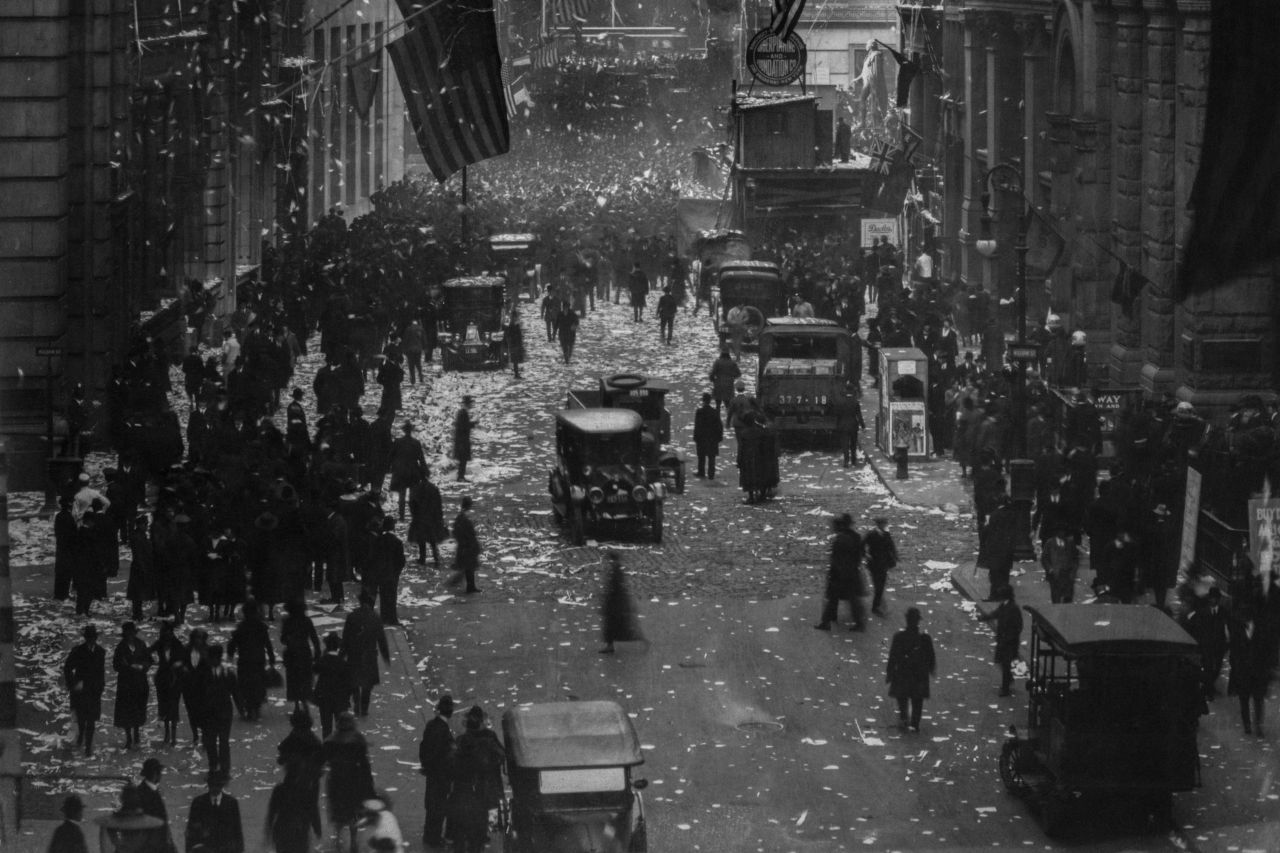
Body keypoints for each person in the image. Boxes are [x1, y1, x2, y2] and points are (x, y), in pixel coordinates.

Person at [449, 706, 506, 853]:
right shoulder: (490, 737)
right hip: (486, 785)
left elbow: (453, 764)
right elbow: (500, 756)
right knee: (486, 813)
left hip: (466, 789)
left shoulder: (461, 740)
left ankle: (465, 841)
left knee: (465, 821)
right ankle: (486, 834)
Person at [323, 711, 376, 853]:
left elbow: (323, 757)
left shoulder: (331, 740)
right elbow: (364, 764)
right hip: (354, 780)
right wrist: (369, 783)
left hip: (336, 780)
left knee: (338, 809)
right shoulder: (358, 740)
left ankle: (339, 838)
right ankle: (353, 841)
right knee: (353, 811)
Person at [886, 607, 936, 733]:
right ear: (918, 621)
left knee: (902, 697)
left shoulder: (899, 637)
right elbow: (931, 657)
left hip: (903, 672)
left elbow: (893, 656)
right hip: (919, 674)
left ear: (907, 620)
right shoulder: (925, 639)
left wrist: (890, 673)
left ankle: (904, 717)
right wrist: (931, 669)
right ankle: (915, 722)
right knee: (917, 700)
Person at [342, 591, 391, 717]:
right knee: (367, 684)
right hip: (369, 655)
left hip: (354, 653)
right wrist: (386, 656)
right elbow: (381, 639)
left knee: (354, 680)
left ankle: (356, 700)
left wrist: (342, 654)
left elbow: (346, 638)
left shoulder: (352, 616)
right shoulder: (375, 618)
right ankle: (364, 708)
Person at [1228, 601, 1273, 736]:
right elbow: (1234, 652)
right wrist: (1235, 669)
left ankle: (1258, 725)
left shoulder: (1261, 631)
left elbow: (1266, 652)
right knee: (1244, 700)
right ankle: (1247, 725)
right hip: (1243, 672)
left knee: (1258, 700)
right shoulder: (1237, 630)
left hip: (1258, 672)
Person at [815, 514, 865, 631]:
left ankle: (826, 622)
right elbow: (860, 554)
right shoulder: (855, 536)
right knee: (852, 599)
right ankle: (858, 623)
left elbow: (837, 558)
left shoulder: (841, 539)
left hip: (840, 574)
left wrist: (835, 571)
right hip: (851, 572)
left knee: (834, 598)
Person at [227, 599, 275, 722]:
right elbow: (267, 643)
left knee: (245, 685)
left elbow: (232, 644)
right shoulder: (261, 626)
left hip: (244, 660)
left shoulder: (241, 627)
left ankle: (248, 708)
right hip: (258, 659)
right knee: (258, 684)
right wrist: (271, 658)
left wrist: (230, 656)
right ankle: (257, 707)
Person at [419, 695, 456, 849]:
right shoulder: (444, 731)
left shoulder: (431, 725)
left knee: (431, 805)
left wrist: (425, 765)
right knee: (439, 806)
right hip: (441, 774)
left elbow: (423, 747)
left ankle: (429, 835)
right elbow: (444, 754)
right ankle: (434, 838)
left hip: (431, 772)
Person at [1182, 587, 1231, 700]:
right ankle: (1208, 690)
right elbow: (1194, 625)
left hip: (1219, 645)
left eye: (1216, 598)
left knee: (1217, 668)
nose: (1214, 600)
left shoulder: (1223, 611)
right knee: (1208, 668)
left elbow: (1228, 626)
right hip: (1207, 645)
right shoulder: (1203, 611)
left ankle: (1207, 687)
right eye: (1212, 598)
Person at [64, 624, 106, 756]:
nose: (91, 640)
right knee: (82, 718)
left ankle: (88, 745)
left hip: (94, 689)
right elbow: (67, 668)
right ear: (85, 638)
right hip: (81, 690)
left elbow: (101, 671)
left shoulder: (100, 651)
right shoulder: (78, 651)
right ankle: (81, 734)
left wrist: (101, 686)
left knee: (92, 719)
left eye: (93, 637)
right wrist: (74, 684)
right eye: (89, 637)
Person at [113, 621, 152, 750]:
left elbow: (149, 660)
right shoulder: (120, 648)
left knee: (138, 708)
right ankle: (129, 737)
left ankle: (136, 733)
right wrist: (128, 667)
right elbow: (116, 666)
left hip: (140, 681)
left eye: (132, 633)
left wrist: (142, 666)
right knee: (126, 710)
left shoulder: (141, 644)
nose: (130, 636)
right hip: (126, 683)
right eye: (127, 634)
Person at [184, 769, 244, 853]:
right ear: (208, 785)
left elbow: (237, 831)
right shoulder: (198, 803)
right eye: (212, 785)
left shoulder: (231, 803)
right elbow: (190, 831)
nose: (215, 788)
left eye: (218, 785)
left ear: (222, 786)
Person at [978, 586, 1023, 696]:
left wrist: (1010, 637)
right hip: (1003, 640)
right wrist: (983, 617)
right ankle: (1008, 679)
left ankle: (1005, 688)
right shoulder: (1004, 606)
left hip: (1009, 642)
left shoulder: (1013, 609)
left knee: (1005, 663)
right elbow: (995, 614)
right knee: (1001, 662)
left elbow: (1018, 625)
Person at [202, 644, 239, 774]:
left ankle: (224, 767)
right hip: (209, 713)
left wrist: (241, 708)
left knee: (224, 741)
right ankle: (213, 765)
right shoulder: (203, 674)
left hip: (224, 713)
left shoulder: (228, 674)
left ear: (216, 658)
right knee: (210, 741)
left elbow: (235, 692)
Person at [600, 551, 646, 654]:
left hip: (615, 603)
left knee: (614, 626)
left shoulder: (616, 571)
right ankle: (610, 645)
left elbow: (615, 587)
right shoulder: (617, 570)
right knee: (614, 626)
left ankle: (610, 645)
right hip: (616, 602)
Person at [281, 598, 321, 711]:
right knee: (305, 678)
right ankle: (304, 699)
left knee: (293, 679)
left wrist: (290, 639)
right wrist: (317, 652)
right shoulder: (306, 621)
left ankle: (297, 703)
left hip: (292, 654)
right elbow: (314, 638)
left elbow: (283, 639)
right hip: (304, 652)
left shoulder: (287, 621)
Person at [365, 516, 406, 626]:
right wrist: (397, 571)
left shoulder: (378, 540)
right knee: (392, 596)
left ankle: (384, 617)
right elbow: (401, 560)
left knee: (383, 595)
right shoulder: (397, 542)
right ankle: (392, 618)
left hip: (381, 573)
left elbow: (374, 557)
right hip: (392, 574)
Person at [150, 618, 184, 746]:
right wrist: (153, 662)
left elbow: (183, 659)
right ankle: (167, 734)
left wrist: (177, 665)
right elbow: (148, 652)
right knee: (164, 706)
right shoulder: (159, 644)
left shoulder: (178, 645)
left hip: (175, 678)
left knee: (174, 706)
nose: (167, 636)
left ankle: (173, 736)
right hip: (163, 678)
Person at [313, 631, 351, 738]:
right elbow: (349, 682)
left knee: (326, 727)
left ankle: (327, 747)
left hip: (324, 698)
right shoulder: (343, 663)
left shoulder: (323, 660)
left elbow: (314, 669)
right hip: (340, 698)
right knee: (341, 726)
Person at [388, 421, 427, 520]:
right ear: (411, 430)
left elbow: (391, 456)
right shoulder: (416, 443)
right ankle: (414, 515)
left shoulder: (398, 442)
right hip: (413, 472)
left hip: (401, 472)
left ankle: (401, 516)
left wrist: (391, 467)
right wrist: (425, 471)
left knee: (402, 495)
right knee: (413, 496)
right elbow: (421, 459)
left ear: (404, 430)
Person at [408, 468, 447, 567]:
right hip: (432, 518)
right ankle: (436, 558)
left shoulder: (415, 489)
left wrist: (414, 516)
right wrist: (439, 517)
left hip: (420, 518)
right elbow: (438, 504)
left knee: (422, 540)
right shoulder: (433, 488)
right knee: (433, 540)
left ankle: (422, 558)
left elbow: (412, 504)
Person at [864, 516, 898, 616]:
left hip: (883, 564)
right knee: (878, 586)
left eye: (884, 524)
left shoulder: (887, 535)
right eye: (882, 524)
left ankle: (877, 604)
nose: (884, 526)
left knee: (880, 586)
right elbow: (861, 546)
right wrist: (866, 555)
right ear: (878, 524)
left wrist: (894, 557)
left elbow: (892, 547)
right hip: (874, 564)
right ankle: (876, 607)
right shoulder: (871, 535)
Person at [450, 497, 481, 594]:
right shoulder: (465, 518)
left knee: (468, 567)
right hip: (468, 547)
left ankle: (470, 586)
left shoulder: (460, 517)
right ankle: (470, 587)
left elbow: (455, 532)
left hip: (463, 546)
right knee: (469, 568)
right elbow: (471, 534)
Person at [693, 392, 724, 479]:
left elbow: (697, 425)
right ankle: (711, 474)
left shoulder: (699, 412)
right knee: (712, 456)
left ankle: (701, 472)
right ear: (710, 401)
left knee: (701, 456)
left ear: (703, 400)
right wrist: (720, 437)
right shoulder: (715, 412)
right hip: (712, 437)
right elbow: (719, 426)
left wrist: (695, 437)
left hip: (702, 437)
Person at [53, 496, 76, 600]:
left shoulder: (58, 516)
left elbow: (56, 531)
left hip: (61, 547)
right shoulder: (70, 517)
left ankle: (58, 593)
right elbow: (73, 533)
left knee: (60, 572)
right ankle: (64, 593)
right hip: (69, 548)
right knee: (67, 572)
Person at [709, 350, 741, 416]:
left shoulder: (717, 362)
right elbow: (739, 373)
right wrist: (732, 377)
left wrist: (713, 379)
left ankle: (717, 420)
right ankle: (729, 421)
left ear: (721, 354)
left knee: (718, 404)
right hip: (729, 385)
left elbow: (712, 374)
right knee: (728, 405)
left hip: (718, 384)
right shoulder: (732, 363)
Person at [452, 396, 476, 482]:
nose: (471, 405)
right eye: (470, 403)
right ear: (467, 404)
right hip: (462, 441)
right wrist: (473, 424)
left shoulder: (462, 412)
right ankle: (460, 477)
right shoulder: (463, 413)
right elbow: (463, 427)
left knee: (463, 460)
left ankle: (461, 476)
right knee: (463, 459)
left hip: (462, 440)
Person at [402, 319, 426, 385]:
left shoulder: (408, 329)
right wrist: (424, 348)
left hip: (410, 349)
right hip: (418, 349)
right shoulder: (421, 329)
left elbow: (405, 340)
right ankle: (421, 377)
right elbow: (423, 339)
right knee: (418, 364)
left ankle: (413, 380)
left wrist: (404, 349)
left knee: (411, 365)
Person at [506, 309, 526, 379]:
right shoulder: (512, 325)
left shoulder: (514, 324)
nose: (517, 318)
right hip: (515, 344)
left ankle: (517, 373)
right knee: (515, 360)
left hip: (516, 344)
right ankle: (516, 374)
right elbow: (511, 335)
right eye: (516, 317)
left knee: (516, 360)